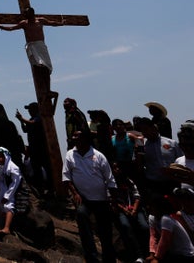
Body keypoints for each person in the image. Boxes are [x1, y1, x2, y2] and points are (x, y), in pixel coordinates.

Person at [62, 129, 118, 263]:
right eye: (74, 135)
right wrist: (75, 193)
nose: (74, 137)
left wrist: (113, 199)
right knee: (82, 219)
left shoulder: (98, 156)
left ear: (86, 139)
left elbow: (110, 179)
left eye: (77, 136)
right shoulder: (70, 154)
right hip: (83, 199)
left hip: (101, 200)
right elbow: (66, 177)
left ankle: (109, 258)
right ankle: (91, 257)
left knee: (105, 231)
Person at [0, 7, 64, 100]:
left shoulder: (40, 20)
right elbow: (11, 28)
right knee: (38, 67)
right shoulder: (24, 23)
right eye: (25, 14)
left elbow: (52, 23)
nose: (25, 15)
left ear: (32, 13)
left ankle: (48, 90)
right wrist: (0, 26)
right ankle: (43, 90)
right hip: (32, 46)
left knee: (46, 67)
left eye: (27, 13)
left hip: (41, 46)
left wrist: (61, 23)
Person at [111, 161, 150, 262]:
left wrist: (134, 209)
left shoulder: (129, 181)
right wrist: (124, 209)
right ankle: (139, 255)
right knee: (126, 226)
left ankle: (147, 252)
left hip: (135, 209)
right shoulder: (111, 184)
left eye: (118, 168)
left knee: (144, 226)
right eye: (114, 168)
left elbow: (137, 196)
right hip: (122, 210)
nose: (117, 170)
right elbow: (112, 200)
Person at [136, 117, 182, 199]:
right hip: (154, 184)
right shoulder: (142, 145)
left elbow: (181, 162)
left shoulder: (172, 143)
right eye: (142, 130)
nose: (144, 133)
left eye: (146, 129)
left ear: (153, 128)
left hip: (172, 182)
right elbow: (140, 165)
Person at [15, 101, 52, 195]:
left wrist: (22, 119)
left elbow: (32, 123)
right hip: (34, 149)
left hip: (41, 148)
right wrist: (21, 121)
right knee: (36, 169)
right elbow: (25, 130)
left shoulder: (40, 118)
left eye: (30, 109)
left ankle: (51, 188)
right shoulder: (31, 119)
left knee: (47, 168)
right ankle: (40, 189)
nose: (29, 111)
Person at [146, 192, 194, 262]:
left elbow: (164, 240)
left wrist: (157, 258)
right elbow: (153, 236)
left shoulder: (166, 219)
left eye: (151, 206)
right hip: (174, 253)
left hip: (186, 255)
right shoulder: (152, 217)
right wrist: (152, 254)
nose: (148, 207)